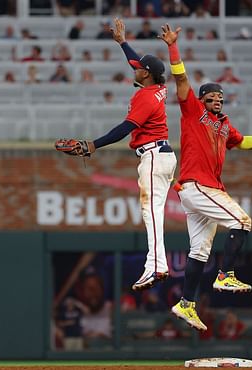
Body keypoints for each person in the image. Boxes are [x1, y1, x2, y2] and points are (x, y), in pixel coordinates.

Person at [159, 23, 252, 331]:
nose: (217, 101)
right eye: (212, 97)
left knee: (198, 251)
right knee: (242, 221)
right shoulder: (194, 111)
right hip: (198, 186)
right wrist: (172, 46)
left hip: (199, 191)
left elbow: (244, 141)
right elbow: (181, 79)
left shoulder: (224, 126)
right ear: (203, 99)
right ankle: (226, 274)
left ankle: (186, 304)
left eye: (220, 98)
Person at [55, 18, 177, 292]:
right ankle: (154, 264)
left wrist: (94, 145)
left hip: (154, 155)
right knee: (152, 211)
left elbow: (125, 129)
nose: (135, 68)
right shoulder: (156, 87)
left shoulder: (146, 97)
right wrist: (122, 42)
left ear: (146, 74)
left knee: (152, 211)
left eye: (140, 68)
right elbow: (137, 63)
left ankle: (157, 265)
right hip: (161, 154)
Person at [74, 266, 112, 340]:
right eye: (89, 289)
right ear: (80, 291)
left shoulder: (113, 310)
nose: (94, 293)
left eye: (97, 287)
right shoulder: (75, 314)